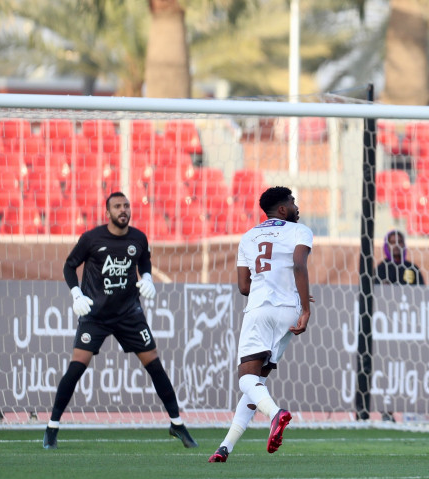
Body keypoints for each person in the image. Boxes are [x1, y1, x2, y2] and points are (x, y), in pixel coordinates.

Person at [43, 191, 197, 449]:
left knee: (155, 366)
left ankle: (177, 424)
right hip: (95, 315)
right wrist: (76, 294)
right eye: (117, 206)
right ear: (108, 212)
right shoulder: (91, 238)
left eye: (126, 205)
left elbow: (144, 261)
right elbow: (69, 267)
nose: (123, 210)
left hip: (129, 314)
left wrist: (147, 278)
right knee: (77, 367)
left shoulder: (139, 238)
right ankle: (52, 427)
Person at [208, 186, 312, 463]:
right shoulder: (299, 231)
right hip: (289, 310)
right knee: (257, 381)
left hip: (259, 309)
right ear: (282, 209)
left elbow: (243, 286)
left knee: (246, 378)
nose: (296, 207)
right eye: (292, 202)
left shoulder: (249, 236)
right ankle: (225, 446)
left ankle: (276, 413)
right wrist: (305, 306)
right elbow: (299, 265)